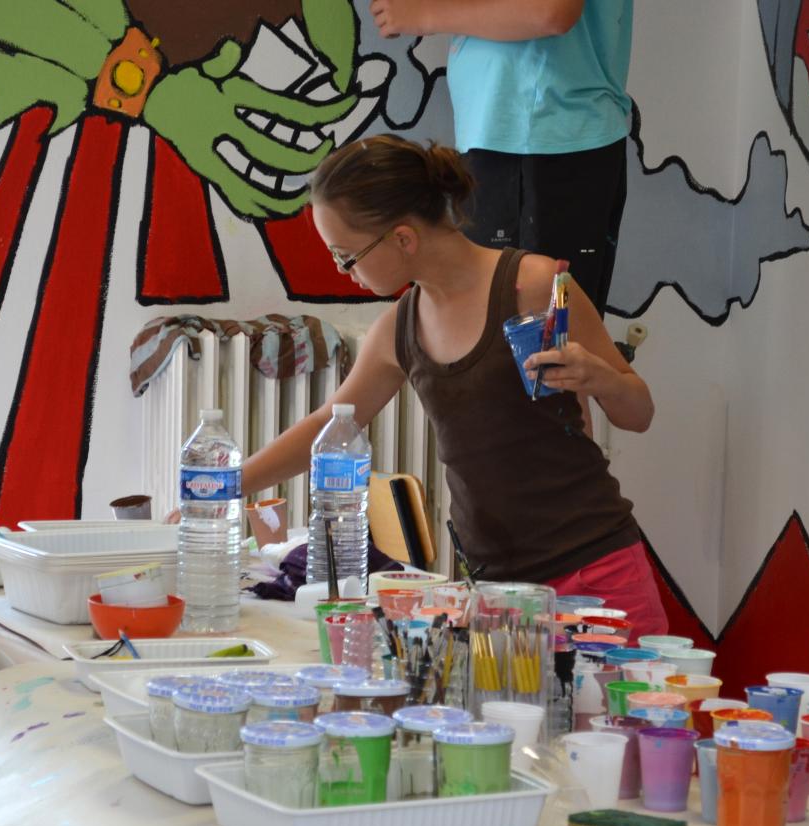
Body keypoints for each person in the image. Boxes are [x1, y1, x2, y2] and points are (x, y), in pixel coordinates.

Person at [242, 134, 669, 638]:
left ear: (403, 239)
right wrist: (228, 484)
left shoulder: (533, 285)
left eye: (347, 256)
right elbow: (328, 423)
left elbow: (638, 412)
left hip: (595, 572)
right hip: (496, 589)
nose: (343, 271)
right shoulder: (399, 327)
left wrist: (601, 378)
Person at [368, 0, 632, 315]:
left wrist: (423, 14)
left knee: (536, 333)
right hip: (525, 138)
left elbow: (549, 12)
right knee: (518, 328)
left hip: (538, 141)